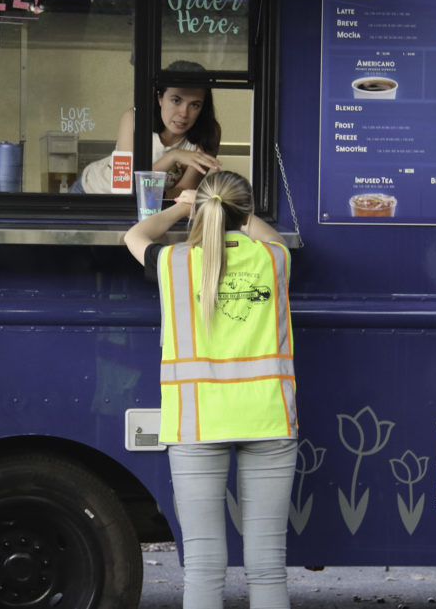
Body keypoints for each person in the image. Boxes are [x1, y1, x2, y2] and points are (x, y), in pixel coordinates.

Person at [124, 170, 297, 609]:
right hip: (268, 417)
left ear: (202, 211)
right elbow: (267, 233)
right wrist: (226, 207)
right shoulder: (274, 259)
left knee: (202, 566)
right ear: (247, 212)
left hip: (196, 420)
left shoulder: (173, 263)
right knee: (268, 566)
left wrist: (183, 206)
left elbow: (135, 235)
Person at [76, 60, 221, 197]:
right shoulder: (134, 118)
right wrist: (173, 156)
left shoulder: (209, 133)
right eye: (176, 100)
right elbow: (126, 183)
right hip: (90, 191)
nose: (184, 113)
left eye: (195, 105)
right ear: (160, 98)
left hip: (148, 205)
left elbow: (183, 192)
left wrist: (154, 198)